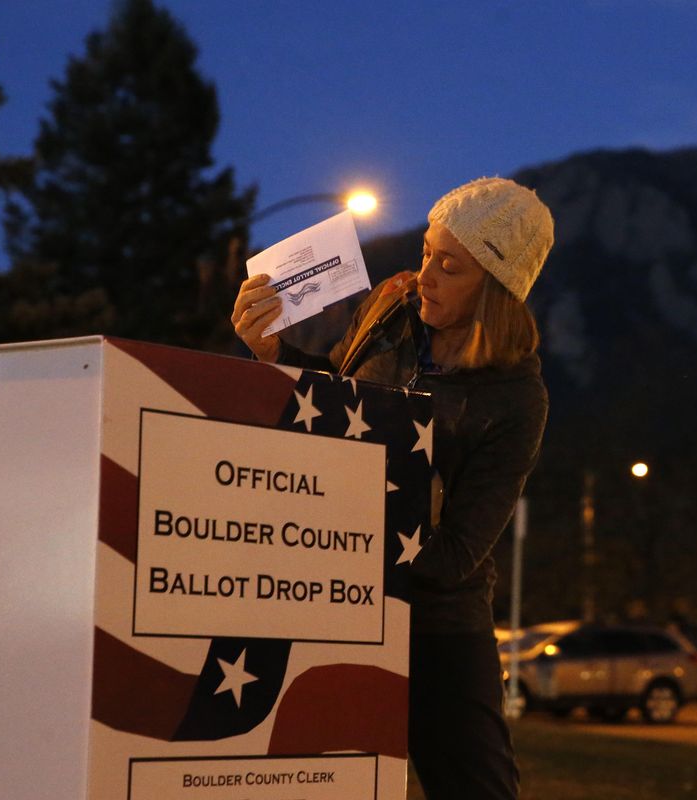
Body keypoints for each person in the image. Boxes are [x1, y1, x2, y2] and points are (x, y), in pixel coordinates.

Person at [231, 177, 553, 800]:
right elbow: (337, 398)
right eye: (428, 251)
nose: (425, 273)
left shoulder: (516, 398)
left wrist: (347, 534)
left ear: (497, 287)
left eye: (450, 266)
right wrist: (272, 352)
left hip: (438, 621)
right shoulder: (391, 311)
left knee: (478, 785)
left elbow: (461, 553)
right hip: (332, 596)